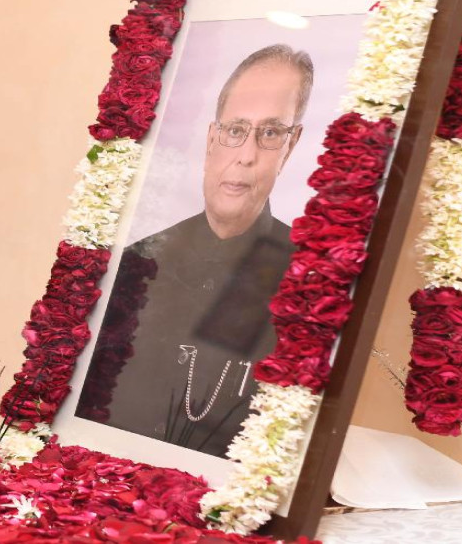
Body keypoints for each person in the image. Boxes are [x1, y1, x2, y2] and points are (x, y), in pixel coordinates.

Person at [74, 44, 310, 457]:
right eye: (235, 130)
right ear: (211, 140)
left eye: (271, 133)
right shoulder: (135, 263)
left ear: (290, 147)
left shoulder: (310, 286)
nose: (246, 156)